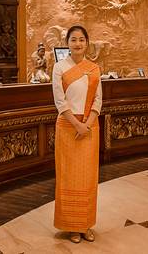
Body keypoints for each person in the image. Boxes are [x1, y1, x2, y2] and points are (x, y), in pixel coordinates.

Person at [51, 25, 102, 244]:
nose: (78, 43)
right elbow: (59, 101)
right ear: (67, 43)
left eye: (81, 40)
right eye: (73, 40)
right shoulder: (59, 67)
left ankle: (86, 224)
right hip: (67, 126)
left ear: (87, 43)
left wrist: (86, 125)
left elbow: (98, 100)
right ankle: (72, 226)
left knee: (88, 178)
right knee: (69, 176)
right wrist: (77, 125)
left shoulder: (94, 68)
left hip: (90, 127)